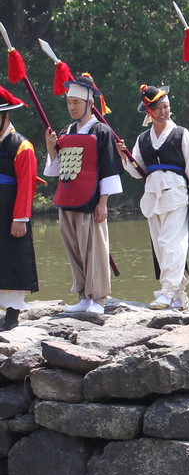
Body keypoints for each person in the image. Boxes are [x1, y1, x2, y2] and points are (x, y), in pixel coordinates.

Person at [117, 85, 189, 311]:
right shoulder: (143, 138)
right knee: (161, 246)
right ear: (149, 111)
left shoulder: (180, 133)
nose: (163, 112)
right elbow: (138, 171)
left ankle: (167, 292)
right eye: (157, 108)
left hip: (176, 193)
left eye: (166, 107)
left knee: (172, 244)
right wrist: (125, 157)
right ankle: (179, 295)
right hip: (152, 195)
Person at [44, 73, 122, 315]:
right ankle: (83, 295)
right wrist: (50, 148)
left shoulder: (101, 131)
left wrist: (103, 203)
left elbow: (109, 169)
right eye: (69, 102)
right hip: (68, 197)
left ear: (89, 104)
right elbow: (56, 170)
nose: (72, 107)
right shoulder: (66, 131)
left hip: (91, 200)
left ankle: (98, 298)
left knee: (94, 249)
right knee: (74, 247)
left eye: (76, 102)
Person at [0, 87, 38, 331]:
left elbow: (27, 185)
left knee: (14, 258)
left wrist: (20, 218)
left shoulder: (22, 145)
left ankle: (13, 315)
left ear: (5, 116)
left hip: (11, 211)